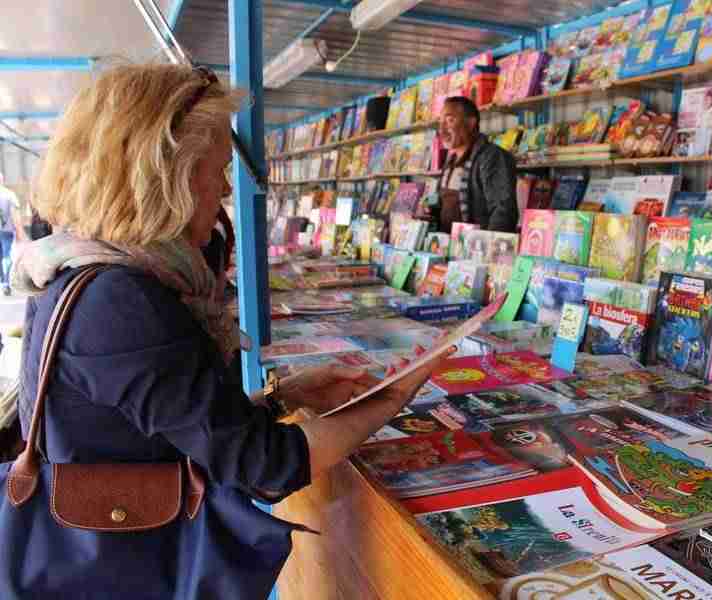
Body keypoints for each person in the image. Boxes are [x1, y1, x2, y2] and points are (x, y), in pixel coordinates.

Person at [11, 63, 452, 592]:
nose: (224, 188)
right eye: (217, 169)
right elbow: (265, 466)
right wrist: (391, 397)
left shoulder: (75, 269)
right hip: (129, 565)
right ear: (168, 174)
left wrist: (283, 397)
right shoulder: (120, 302)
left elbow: (177, 420)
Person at [430, 96, 518, 233]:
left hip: (475, 244)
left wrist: (486, 245)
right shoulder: (450, 160)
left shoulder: (492, 157)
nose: (441, 130)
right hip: (446, 243)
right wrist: (428, 211)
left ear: (471, 123)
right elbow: (441, 205)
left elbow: (504, 213)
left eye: (450, 121)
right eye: (440, 122)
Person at [0, 173, 20, 296]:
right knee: (7, 256)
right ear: (2, 180)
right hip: (6, 230)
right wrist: (19, 232)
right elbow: (15, 214)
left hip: (5, 231)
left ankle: (3, 282)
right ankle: (6, 283)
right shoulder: (9, 194)